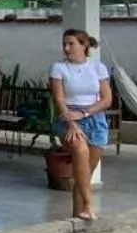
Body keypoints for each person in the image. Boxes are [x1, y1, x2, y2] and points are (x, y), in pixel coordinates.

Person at [48, 28, 112, 221]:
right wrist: (72, 124)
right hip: (68, 117)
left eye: (71, 44)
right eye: (64, 44)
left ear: (84, 45)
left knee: (84, 175)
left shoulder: (98, 68)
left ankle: (79, 216)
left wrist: (85, 113)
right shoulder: (58, 67)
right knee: (81, 150)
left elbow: (106, 99)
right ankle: (90, 205)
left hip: (94, 118)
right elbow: (59, 99)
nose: (66, 48)